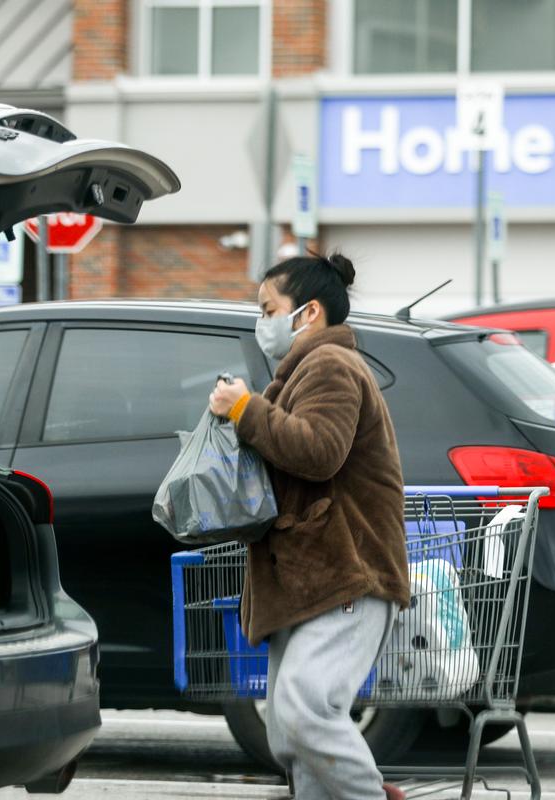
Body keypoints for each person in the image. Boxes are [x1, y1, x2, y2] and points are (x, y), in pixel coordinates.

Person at [209, 252, 410, 800]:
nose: (261, 321)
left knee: (305, 708)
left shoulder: (331, 367)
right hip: (308, 580)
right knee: (289, 732)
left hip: (347, 571)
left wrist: (246, 409)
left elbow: (319, 451)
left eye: (268, 308)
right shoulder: (298, 373)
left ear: (308, 313)